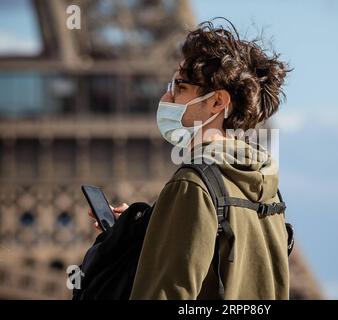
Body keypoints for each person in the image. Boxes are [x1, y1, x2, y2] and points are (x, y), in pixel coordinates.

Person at [88, 18, 291, 299]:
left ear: (218, 102)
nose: (166, 96)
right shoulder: (267, 187)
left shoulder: (192, 185)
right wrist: (149, 226)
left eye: (180, 87)